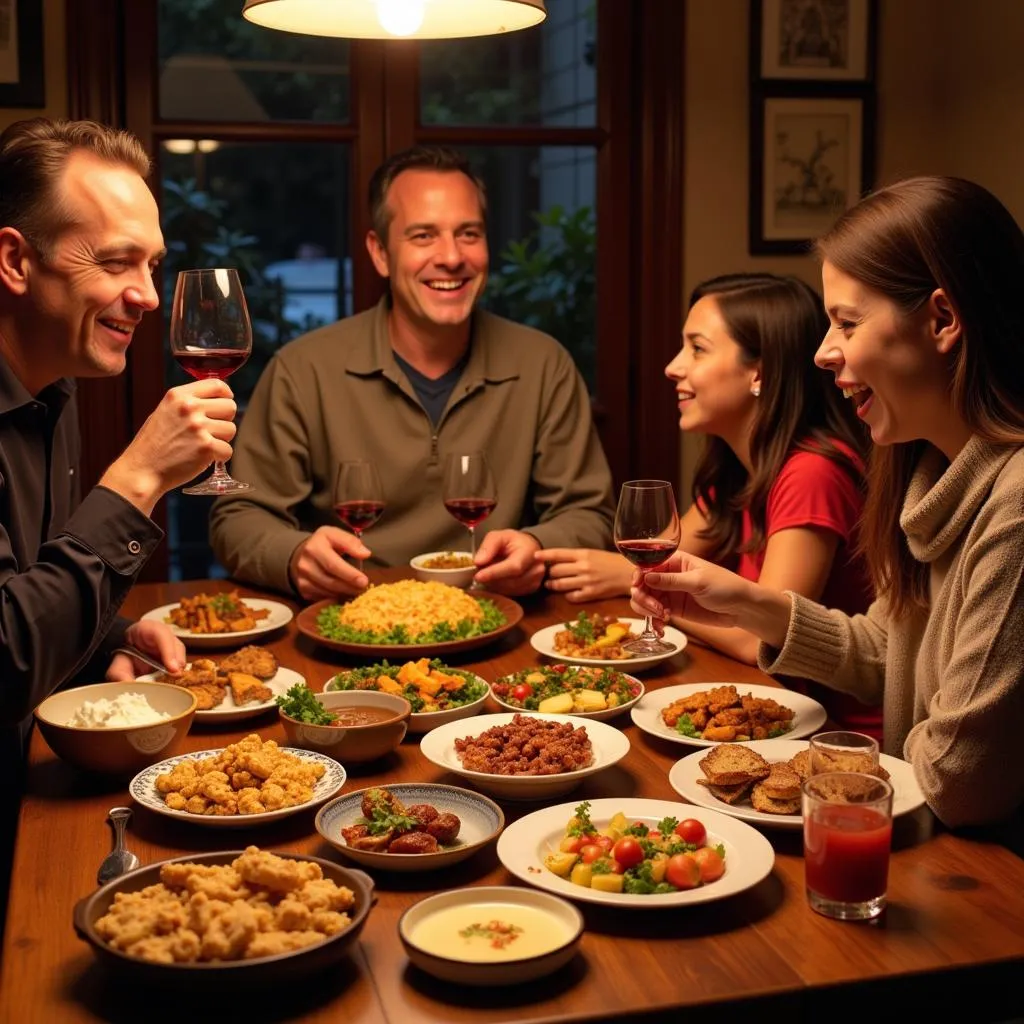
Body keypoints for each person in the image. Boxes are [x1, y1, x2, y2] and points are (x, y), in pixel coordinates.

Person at [631, 176, 1024, 828]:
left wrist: (823, 767)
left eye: (847, 322)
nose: (822, 351)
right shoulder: (927, 470)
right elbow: (884, 653)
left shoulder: (1012, 511)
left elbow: (959, 779)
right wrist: (748, 603)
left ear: (943, 319)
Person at [0, 117, 240, 933]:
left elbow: (27, 591)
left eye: (151, 264)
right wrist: (137, 479)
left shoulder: (52, 392)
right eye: (113, 261)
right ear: (14, 261)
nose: (145, 293)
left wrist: (106, 637)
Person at [209, 145, 614, 599]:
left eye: (469, 234)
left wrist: (538, 546)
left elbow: (590, 514)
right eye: (423, 236)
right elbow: (238, 518)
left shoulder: (543, 365)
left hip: (498, 618)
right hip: (353, 622)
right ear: (380, 253)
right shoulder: (302, 370)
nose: (451, 257)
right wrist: (294, 555)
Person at [538, 273, 879, 736]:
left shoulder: (812, 472)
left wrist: (629, 579)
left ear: (759, 371)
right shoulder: (742, 468)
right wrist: (535, 553)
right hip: (771, 709)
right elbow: (665, 551)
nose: (673, 367)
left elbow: (761, 636)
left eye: (697, 349)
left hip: (835, 736)